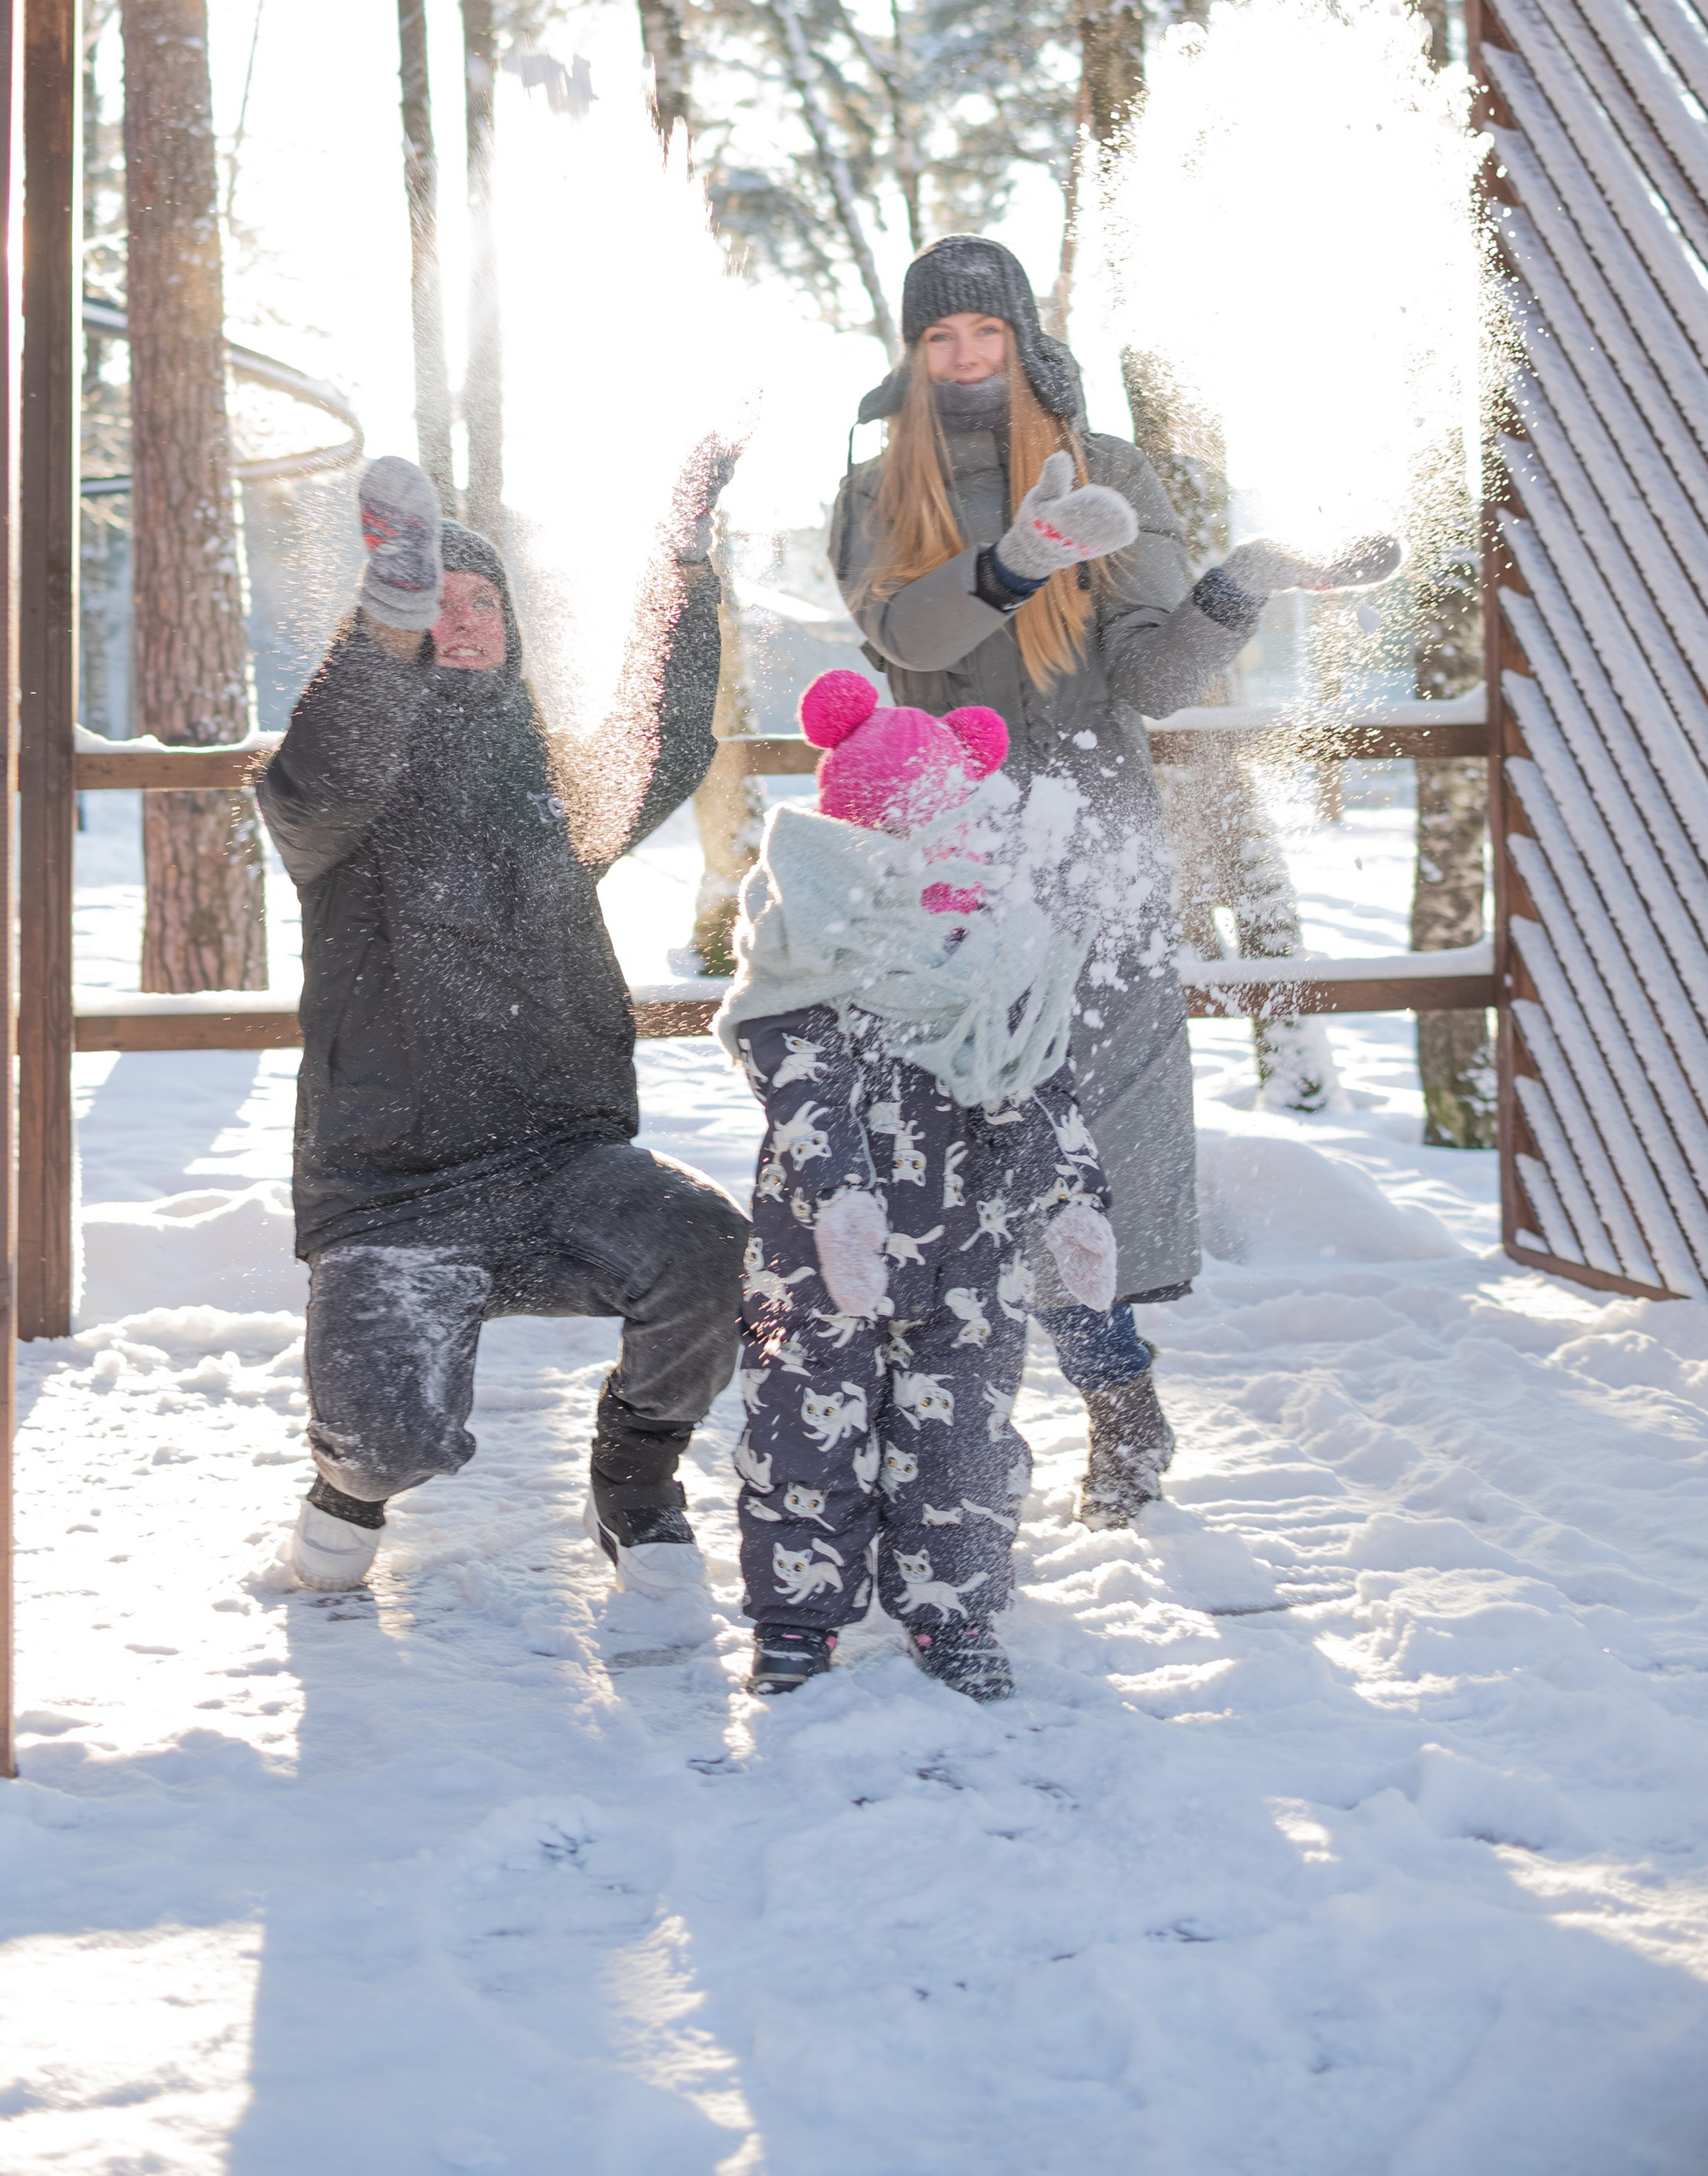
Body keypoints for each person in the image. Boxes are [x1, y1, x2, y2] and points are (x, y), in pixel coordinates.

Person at [830, 235, 1394, 1528]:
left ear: (1026, 342)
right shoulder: (878, 488)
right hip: (943, 842)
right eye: (940, 339)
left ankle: (1118, 1397)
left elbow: (1146, 680)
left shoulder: (1115, 472)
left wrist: (1238, 587)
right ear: (913, 355)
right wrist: (1020, 556)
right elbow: (905, 636)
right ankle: (949, 1443)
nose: (967, 359)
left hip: (1092, 836)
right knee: (950, 1142)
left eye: (987, 334)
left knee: (1093, 1144)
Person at [257, 447, 746, 1609]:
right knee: (390, 1444)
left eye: (486, 601)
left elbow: (670, 729)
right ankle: (346, 1494)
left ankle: (634, 1479)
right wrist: (388, 619)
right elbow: (315, 772)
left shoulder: (557, 787)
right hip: (396, 1192)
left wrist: (685, 552)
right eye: (439, 601)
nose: (465, 620)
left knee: (708, 1252)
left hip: (565, 1166)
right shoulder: (345, 801)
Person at [719, 667, 1119, 1702]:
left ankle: (956, 1608)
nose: (954, 854)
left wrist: (1072, 1195)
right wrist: (842, 1200)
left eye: (959, 832)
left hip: (970, 1247)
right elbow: (804, 1083)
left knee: (963, 1431)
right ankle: (799, 1615)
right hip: (816, 1252)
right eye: (924, 833)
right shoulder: (814, 949)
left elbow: (1034, 1079)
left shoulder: (994, 956)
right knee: (803, 1418)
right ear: (867, 840)